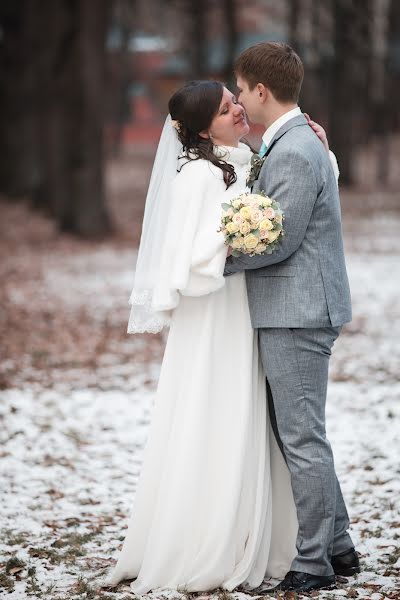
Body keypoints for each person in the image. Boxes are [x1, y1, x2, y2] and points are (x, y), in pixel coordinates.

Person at [105, 73, 348, 595]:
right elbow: (186, 261)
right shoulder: (197, 177)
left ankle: (302, 538)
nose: (236, 111)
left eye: (234, 101)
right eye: (223, 110)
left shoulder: (241, 161)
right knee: (223, 415)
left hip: (248, 310)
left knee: (276, 425)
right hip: (217, 315)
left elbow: (294, 186)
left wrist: (322, 156)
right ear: (200, 131)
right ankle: (214, 536)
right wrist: (233, 240)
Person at [224, 42, 359, 594]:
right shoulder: (292, 142)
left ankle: (314, 563)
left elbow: (280, 241)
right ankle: (339, 544)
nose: (237, 100)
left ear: (261, 90)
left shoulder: (295, 151)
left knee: (303, 438)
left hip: (299, 310)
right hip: (294, 308)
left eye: (240, 89)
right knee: (299, 434)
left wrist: (216, 260)